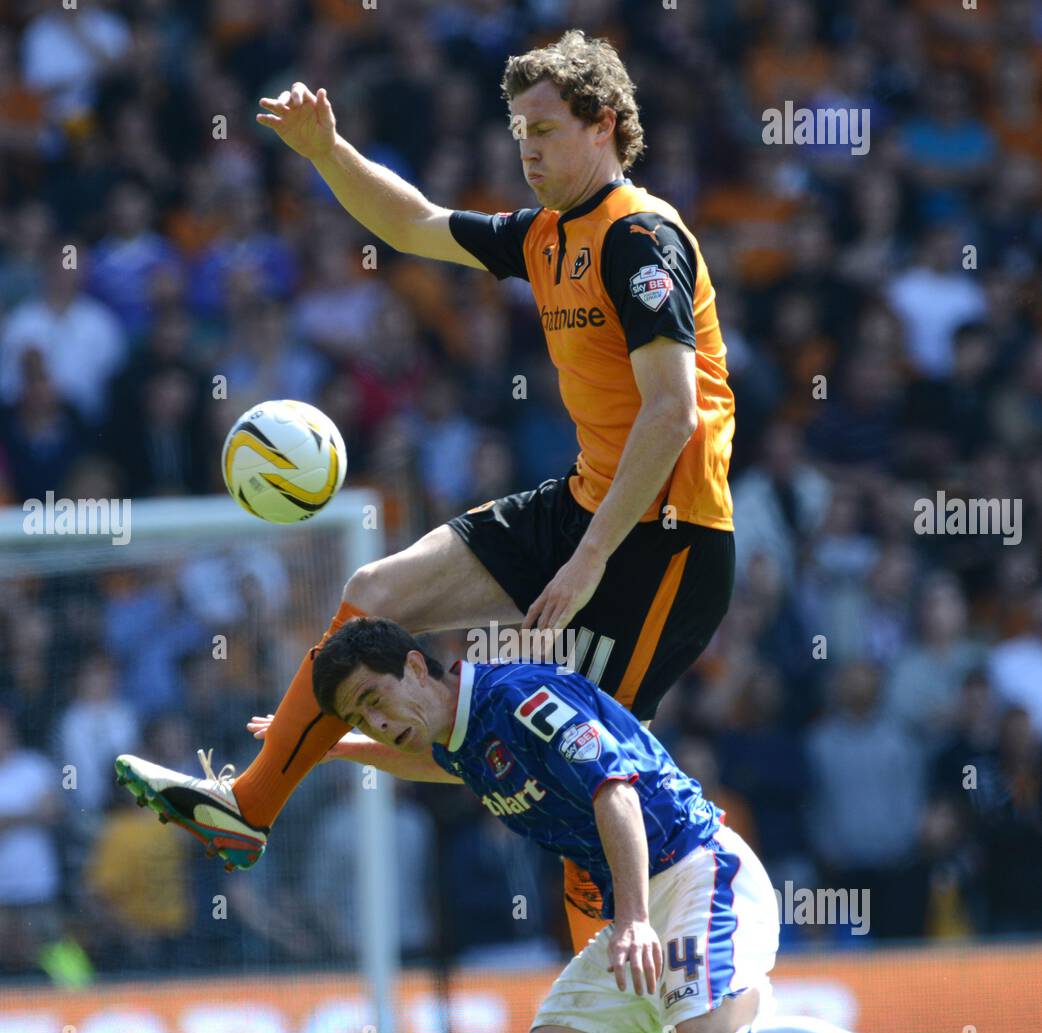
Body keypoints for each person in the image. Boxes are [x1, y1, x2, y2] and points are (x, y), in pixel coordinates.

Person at [134, 617, 999, 1033]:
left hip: (698, 874)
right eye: (360, 715)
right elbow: (443, 768)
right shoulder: (463, 732)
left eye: (374, 698)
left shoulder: (520, 697)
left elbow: (612, 789)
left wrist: (630, 920)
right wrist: (332, 746)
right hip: (645, 895)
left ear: (416, 665)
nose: (377, 720)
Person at [112, 29, 736, 954]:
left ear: (605, 125)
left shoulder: (639, 235)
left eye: (545, 129)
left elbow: (671, 413)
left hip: (668, 541)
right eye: (517, 129)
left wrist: (590, 557)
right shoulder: (545, 237)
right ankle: (249, 804)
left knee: (584, 763)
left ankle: (645, 1000)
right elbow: (411, 224)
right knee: (375, 597)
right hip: (587, 503)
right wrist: (327, 151)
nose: (525, 149)